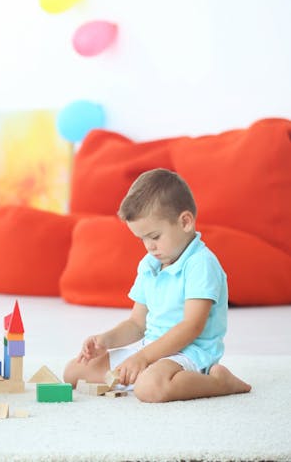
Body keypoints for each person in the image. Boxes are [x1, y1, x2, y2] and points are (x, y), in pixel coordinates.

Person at [63, 168, 251, 402]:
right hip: (149, 347)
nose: (149, 247)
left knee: (149, 388)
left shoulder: (201, 264)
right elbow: (136, 323)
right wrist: (106, 340)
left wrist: (143, 358)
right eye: (142, 239)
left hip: (189, 352)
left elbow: (191, 327)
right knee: (74, 373)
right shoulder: (149, 264)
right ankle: (146, 373)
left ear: (185, 222)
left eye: (154, 237)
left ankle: (219, 383)